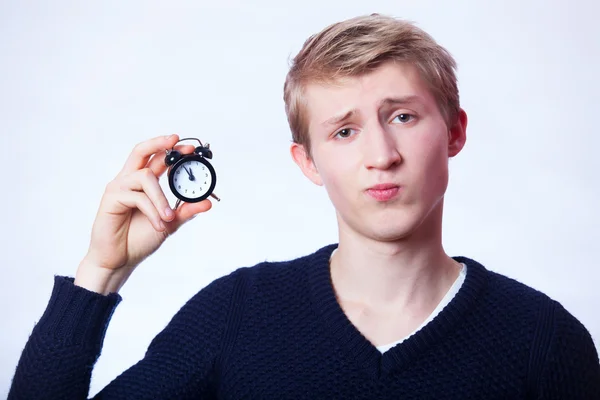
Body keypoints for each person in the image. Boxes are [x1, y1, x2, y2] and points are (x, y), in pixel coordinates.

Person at [8, 13, 600, 399]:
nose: (381, 154)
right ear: (308, 162)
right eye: (343, 131)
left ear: (454, 132)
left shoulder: (542, 341)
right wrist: (101, 271)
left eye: (402, 116)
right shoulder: (235, 316)